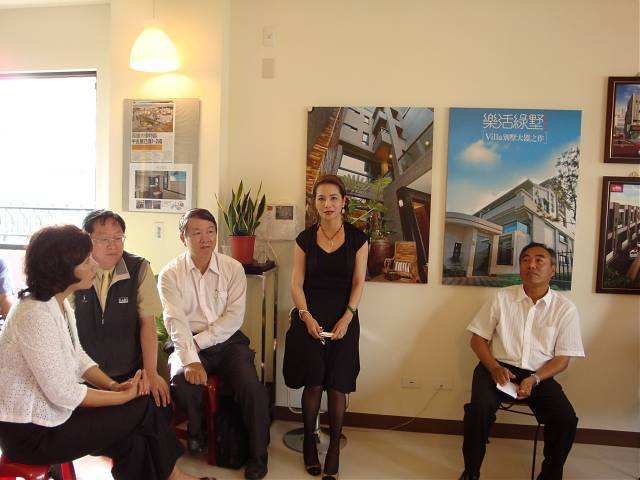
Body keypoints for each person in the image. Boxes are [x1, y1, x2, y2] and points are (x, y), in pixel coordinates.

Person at [0, 225, 213, 480]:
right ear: (61, 268)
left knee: (134, 435)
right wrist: (123, 396)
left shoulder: (56, 303)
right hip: (32, 433)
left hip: (55, 414)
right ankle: (177, 477)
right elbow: (65, 393)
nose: (95, 264)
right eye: (86, 260)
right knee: (143, 407)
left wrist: (113, 386)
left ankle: (174, 477)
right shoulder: (34, 314)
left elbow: (78, 358)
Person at [158, 208, 270, 480]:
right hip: (186, 340)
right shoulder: (170, 273)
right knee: (181, 380)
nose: (205, 238)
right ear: (183, 237)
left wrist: (199, 344)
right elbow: (175, 321)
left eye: (210, 231)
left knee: (252, 389)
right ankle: (196, 432)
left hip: (228, 341)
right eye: (196, 232)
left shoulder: (232, 268)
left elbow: (234, 318)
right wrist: (190, 358)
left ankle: (258, 457)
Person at [459, 242, 585, 480]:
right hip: (496, 369)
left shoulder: (565, 309)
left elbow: (562, 359)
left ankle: (550, 476)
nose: (531, 265)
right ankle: (471, 472)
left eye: (539, 260)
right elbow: (477, 340)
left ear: (552, 270)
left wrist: (535, 379)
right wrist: (494, 367)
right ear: (520, 267)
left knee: (566, 419)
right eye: (525, 260)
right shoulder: (502, 298)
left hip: (539, 375)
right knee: (478, 411)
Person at [283, 174, 368, 480]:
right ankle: (309, 443)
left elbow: (358, 282)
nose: (327, 204)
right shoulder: (304, 239)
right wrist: (306, 317)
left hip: (344, 318)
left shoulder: (358, 239)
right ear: (314, 203)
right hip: (309, 317)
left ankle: (333, 449)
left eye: (333, 198)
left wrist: (347, 317)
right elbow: (296, 283)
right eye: (321, 198)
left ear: (343, 202)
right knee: (314, 381)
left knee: (337, 384)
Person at [72, 210, 170, 408]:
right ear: (87, 240)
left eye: (118, 238)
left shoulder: (139, 268)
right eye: (104, 239)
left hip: (129, 372)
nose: (113, 245)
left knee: (156, 408)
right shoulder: (75, 269)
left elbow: (148, 325)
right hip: (83, 375)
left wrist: (151, 373)